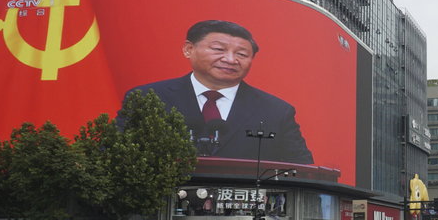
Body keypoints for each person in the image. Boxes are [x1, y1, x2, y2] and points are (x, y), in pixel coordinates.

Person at [122, 20, 313, 164]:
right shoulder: (147, 98)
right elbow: (116, 156)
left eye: (241, 54)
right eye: (218, 49)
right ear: (188, 49)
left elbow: (302, 168)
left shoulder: (276, 111)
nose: (230, 59)